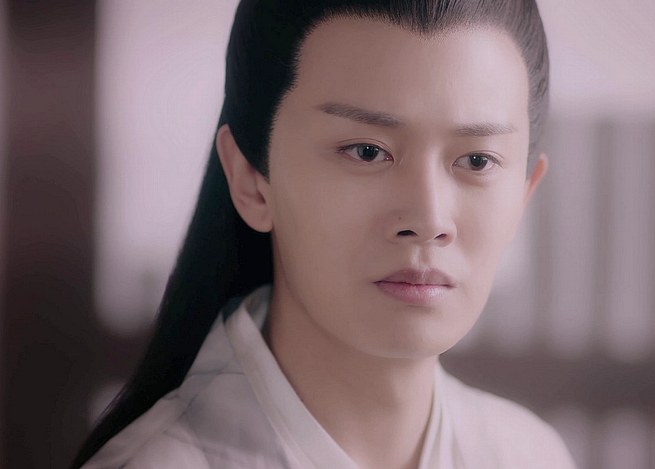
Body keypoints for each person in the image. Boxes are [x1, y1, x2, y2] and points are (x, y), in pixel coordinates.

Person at [73, 0, 575, 467]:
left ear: (524, 195)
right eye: (366, 151)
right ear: (250, 180)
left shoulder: (530, 455)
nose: (428, 218)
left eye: (477, 161)